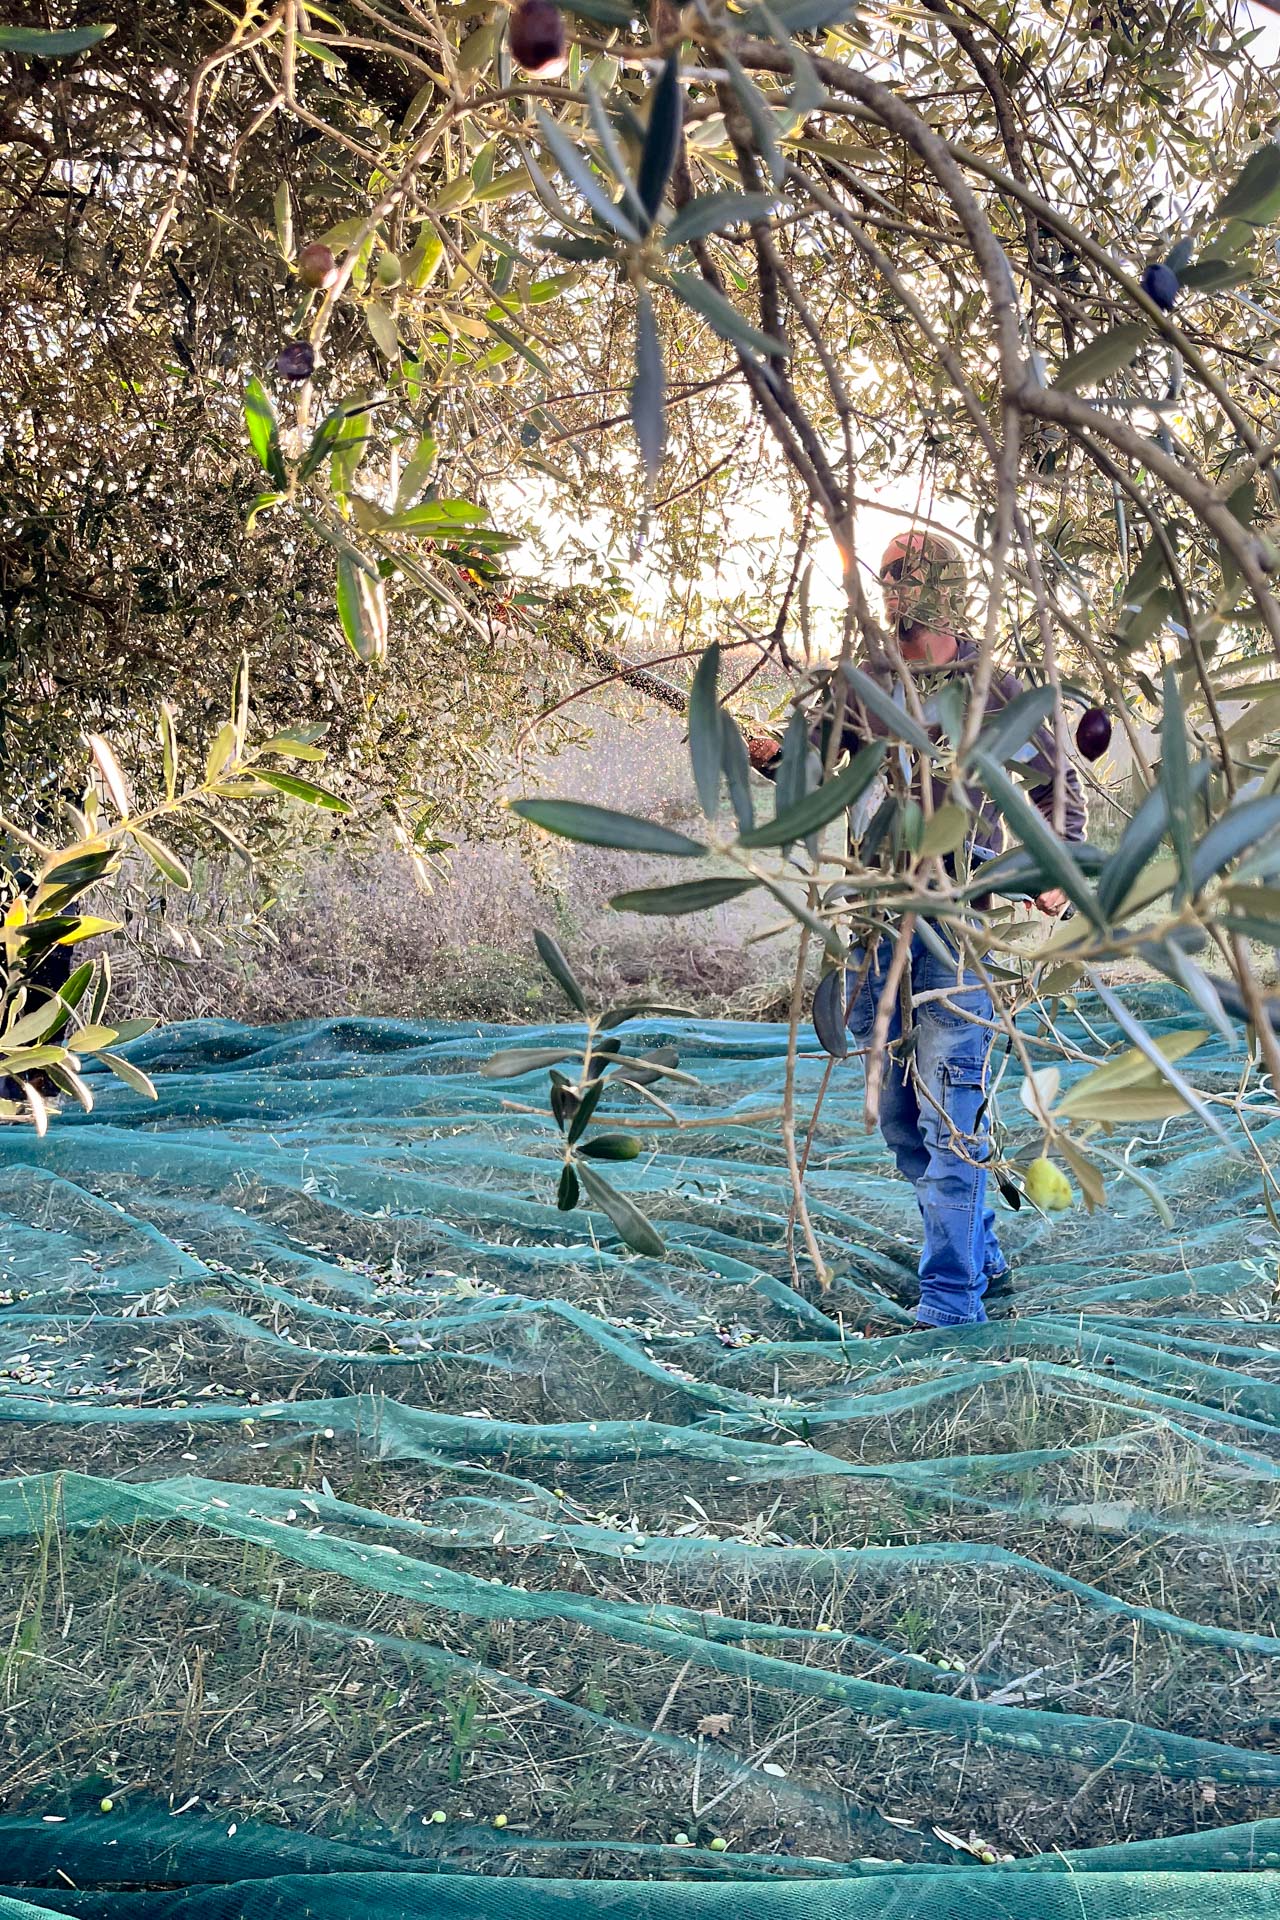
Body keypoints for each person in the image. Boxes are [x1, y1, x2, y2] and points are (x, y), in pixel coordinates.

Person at [747, 529, 1086, 1330]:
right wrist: (774, 756)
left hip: (953, 926)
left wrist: (1054, 873)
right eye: (885, 577)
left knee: (948, 1116)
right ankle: (981, 1257)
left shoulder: (988, 689)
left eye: (902, 577)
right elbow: (826, 761)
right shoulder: (864, 682)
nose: (889, 591)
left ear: (940, 588)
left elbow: (1057, 792)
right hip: (870, 926)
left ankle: (950, 1304)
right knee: (902, 1120)